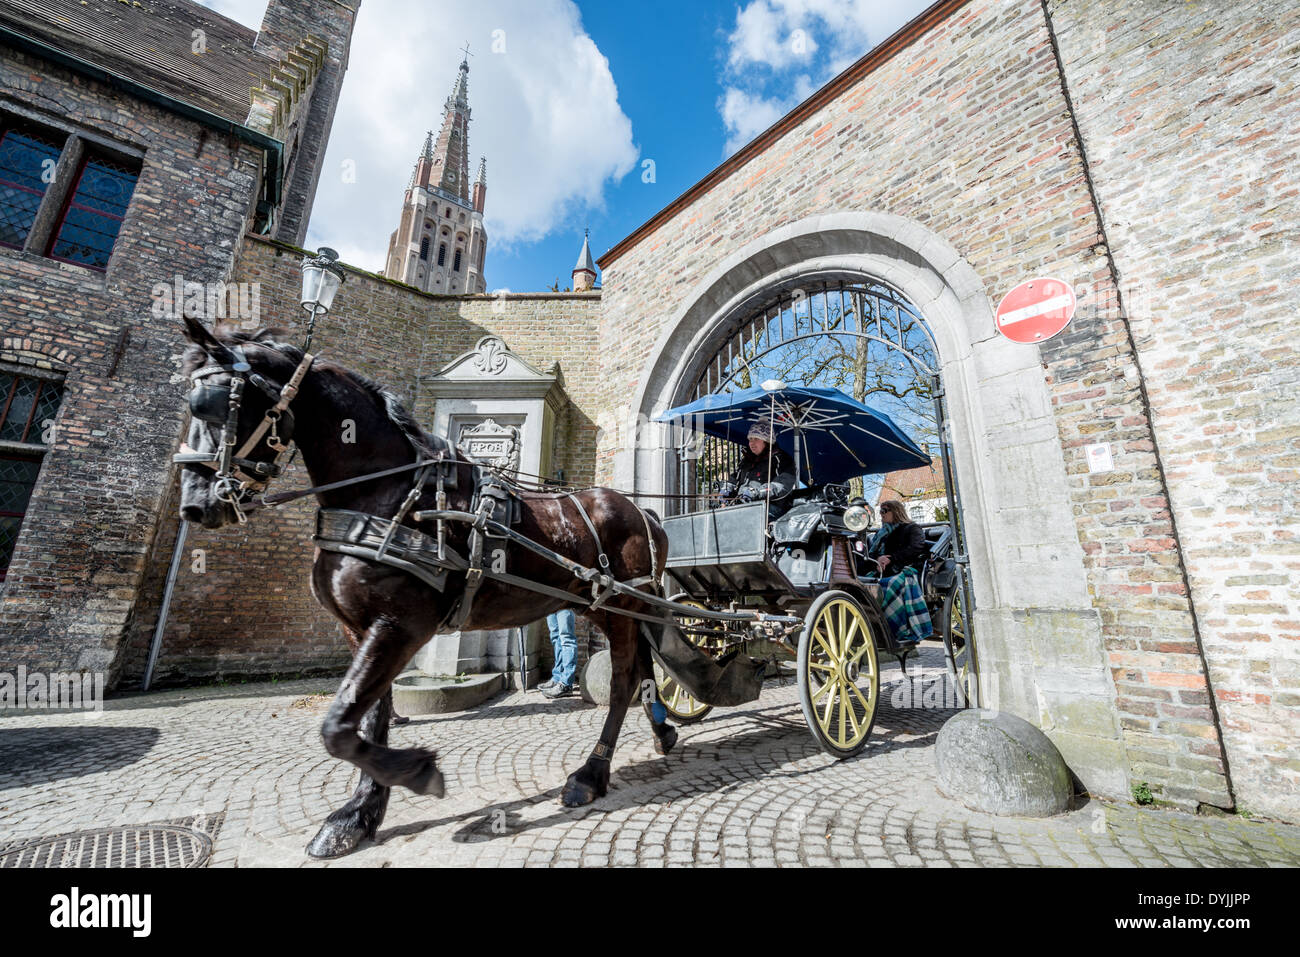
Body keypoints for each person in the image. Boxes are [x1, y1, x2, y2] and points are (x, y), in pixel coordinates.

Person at [866, 500, 933, 649]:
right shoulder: (879, 534)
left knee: (891, 585)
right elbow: (871, 554)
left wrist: (891, 559)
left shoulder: (912, 529)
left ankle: (895, 631)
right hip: (880, 571)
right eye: (880, 511)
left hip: (904, 569)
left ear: (896, 511)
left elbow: (915, 549)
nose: (881, 514)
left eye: (885, 511)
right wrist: (877, 560)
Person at [716, 420, 796, 517]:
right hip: (743, 506)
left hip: (770, 509)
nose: (752, 443)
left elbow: (781, 486)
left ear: (767, 441)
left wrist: (757, 492)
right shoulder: (747, 459)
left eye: (756, 439)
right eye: (750, 439)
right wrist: (726, 488)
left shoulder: (782, 459)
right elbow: (735, 478)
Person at [540, 608, 577, 698]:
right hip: (551, 601)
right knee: (555, 637)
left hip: (565, 599)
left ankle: (566, 684)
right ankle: (557, 677)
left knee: (567, 638)